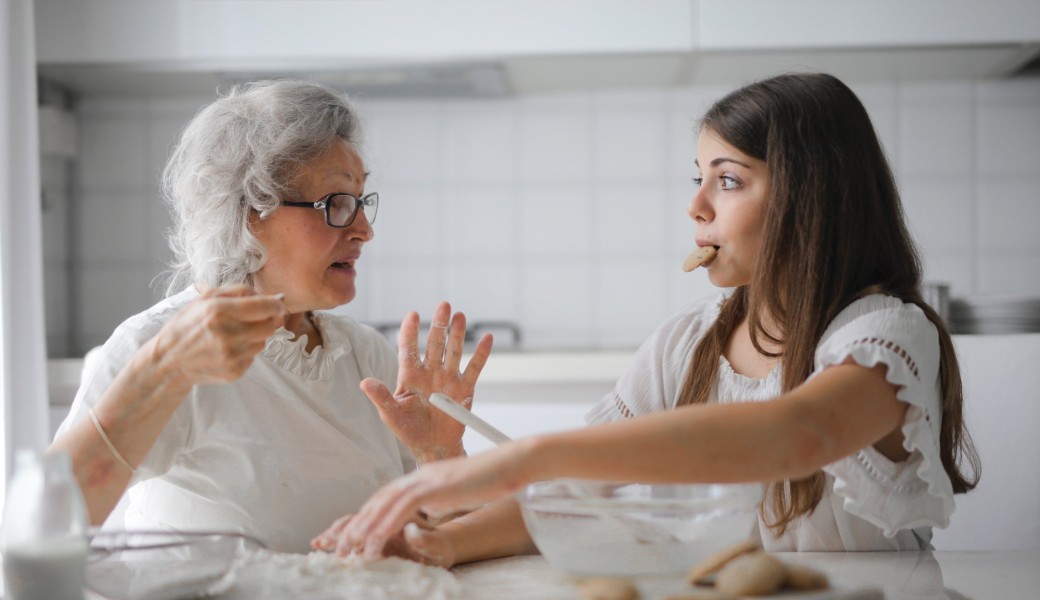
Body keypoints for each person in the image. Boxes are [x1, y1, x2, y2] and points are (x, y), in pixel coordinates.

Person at [313, 72, 981, 561]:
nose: (696, 206)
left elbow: (799, 433)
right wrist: (440, 540)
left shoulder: (886, 335)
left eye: (728, 180)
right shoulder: (686, 343)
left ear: (812, 198)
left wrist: (530, 454)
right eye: (698, 177)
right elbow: (579, 494)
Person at [50, 80, 493, 553]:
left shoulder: (365, 355)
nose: (364, 230)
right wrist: (162, 372)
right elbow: (47, 522)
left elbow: (436, 541)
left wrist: (440, 454)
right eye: (336, 203)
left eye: (361, 201)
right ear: (247, 213)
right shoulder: (158, 344)